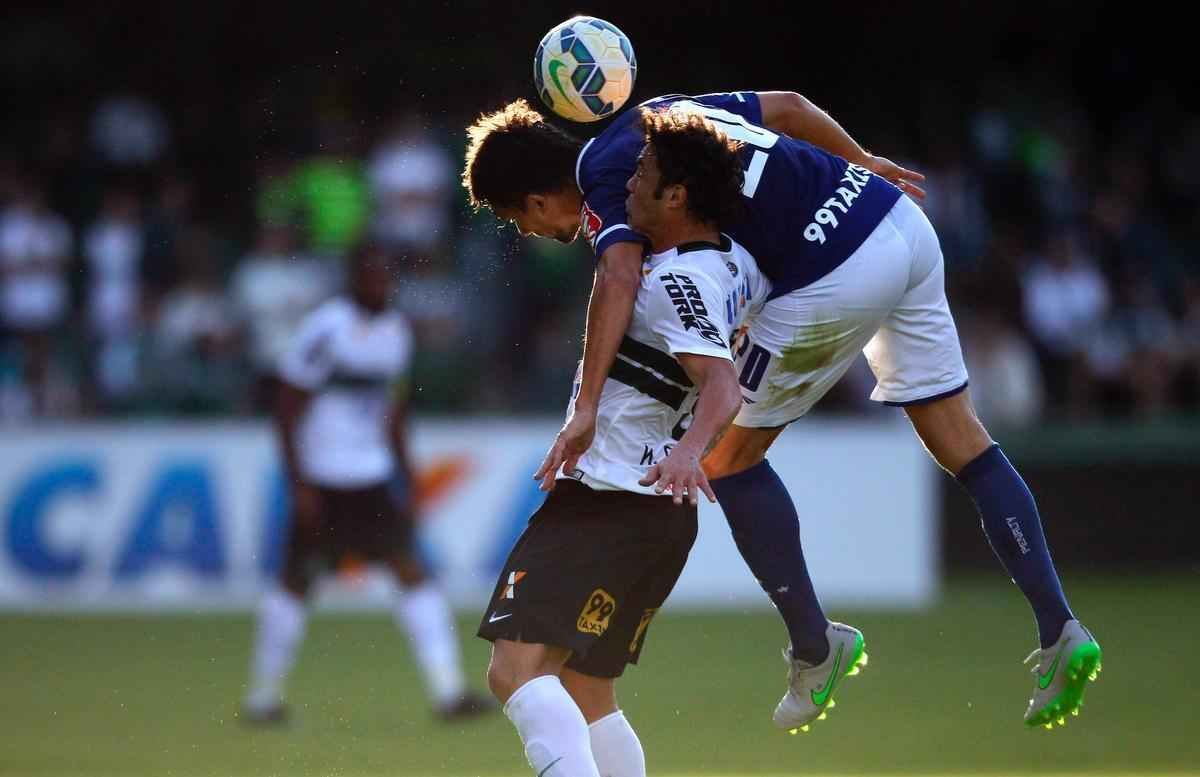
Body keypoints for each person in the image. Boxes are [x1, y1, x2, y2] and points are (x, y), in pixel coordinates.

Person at [462, 92, 1101, 731]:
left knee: (722, 456)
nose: (635, 186)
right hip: (891, 215)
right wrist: (861, 160)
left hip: (832, 271)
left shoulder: (605, 173)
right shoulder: (672, 110)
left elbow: (621, 277)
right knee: (963, 440)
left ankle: (815, 645)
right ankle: (1060, 626)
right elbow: (791, 106)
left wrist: (588, 406)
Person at [478, 109, 766, 777]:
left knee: (514, 670)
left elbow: (722, 388)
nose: (624, 183)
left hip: (613, 496)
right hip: (658, 515)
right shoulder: (738, 265)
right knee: (586, 689)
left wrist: (688, 449)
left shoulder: (665, 275)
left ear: (676, 194)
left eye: (641, 173)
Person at [242, 242, 493, 724]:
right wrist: (299, 484)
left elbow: (393, 412)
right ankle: (262, 698)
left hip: (371, 477)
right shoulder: (326, 329)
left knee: (411, 572)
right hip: (324, 477)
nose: (381, 286)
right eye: (371, 277)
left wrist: (408, 474)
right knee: (296, 581)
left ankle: (449, 692)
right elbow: (286, 409)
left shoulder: (396, 332)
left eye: (386, 278)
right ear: (353, 279)